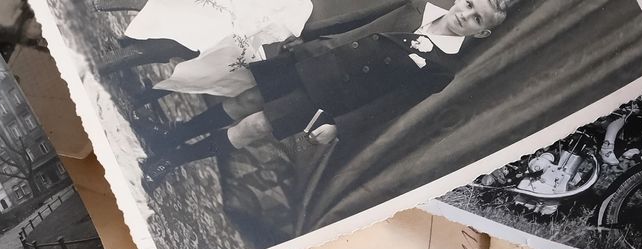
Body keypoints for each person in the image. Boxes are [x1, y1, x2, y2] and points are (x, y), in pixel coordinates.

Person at [137, 0, 515, 184]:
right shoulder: (418, 6)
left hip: (331, 98)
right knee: (244, 102)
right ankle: (172, 135)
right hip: (316, 59)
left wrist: (340, 126)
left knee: (255, 126)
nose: (465, 14)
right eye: (469, 3)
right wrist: (305, 37)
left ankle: (172, 158)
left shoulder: (441, 68)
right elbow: (354, 20)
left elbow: (390, 106)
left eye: (476, 18)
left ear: (482, 32)